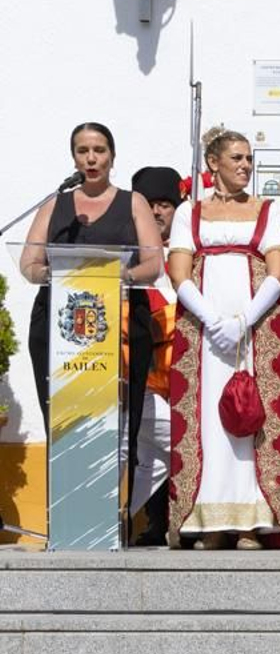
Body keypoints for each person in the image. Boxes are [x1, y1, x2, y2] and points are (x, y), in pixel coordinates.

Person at [20, 124, 162, 521]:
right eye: (83, 151)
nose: (91, 158)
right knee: (65, 419)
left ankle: (113, 518)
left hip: (120, 325)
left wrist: (119, 276)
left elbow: (154, 263)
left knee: (119, 424)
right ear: (74, 158)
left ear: (112, 156)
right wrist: (61, 274)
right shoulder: (56, 204)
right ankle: (70, 517)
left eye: (99, 150)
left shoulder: (133, 203)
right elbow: (29, 265)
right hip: (58, 327)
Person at [166, 128, 280, 549]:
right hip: (205, 328)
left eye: (249, 159)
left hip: (252, 325)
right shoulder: (190, 212)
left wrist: (244, 320)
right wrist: (211, 319)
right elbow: (179, 270)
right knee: (206, 417)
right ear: (214, 163)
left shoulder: (267, 209)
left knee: (251, 415)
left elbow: (277, 267)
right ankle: (208, 518)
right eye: (236, 158)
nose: (245, 166)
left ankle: (251, 520)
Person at [128, 165, 183, 546]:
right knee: (159, 443)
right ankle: (153, 519)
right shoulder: (128, 259)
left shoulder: (190, 255)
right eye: (150, 205)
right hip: (145, 377)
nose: (159, 212)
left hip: (186, 374)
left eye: (166, 204)